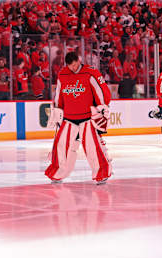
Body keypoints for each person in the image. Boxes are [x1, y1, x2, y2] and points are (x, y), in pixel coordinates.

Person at [45, 51, 112, 185]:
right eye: (71, 66)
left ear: (79, 61)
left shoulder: (90, 72)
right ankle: (57, 172)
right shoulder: (63, 74)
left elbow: (101, 91)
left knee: (92, 147)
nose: (74, 68)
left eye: (75, 65)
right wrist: (58, 109)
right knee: (61, 146)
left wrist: (102, 107)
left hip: (87, 117)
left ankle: (101, 173)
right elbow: (59, 94)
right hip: (69, 118)